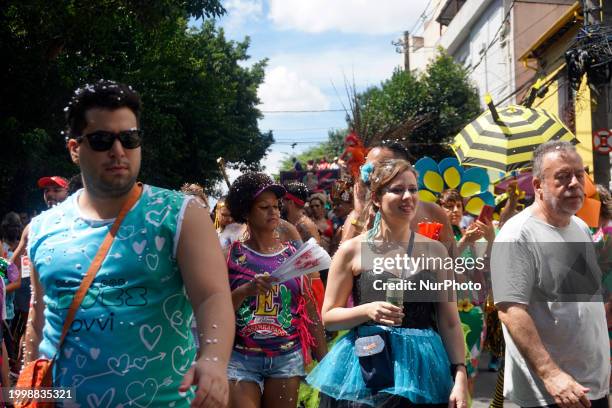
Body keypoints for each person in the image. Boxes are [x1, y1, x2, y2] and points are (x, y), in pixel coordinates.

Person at [24, 80, 234, 407]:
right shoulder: (41, 228)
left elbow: (212, 295)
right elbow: (38, 318)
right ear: (74, 149)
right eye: (102, 140)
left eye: (129, 138)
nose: (118, 151)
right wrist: (28, 389)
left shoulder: (179, 215)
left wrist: (214, 360)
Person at [307, 159, 468, 408]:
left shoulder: (435, 252)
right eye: (397, 190)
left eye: (413, 189)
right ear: (376, 198)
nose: (408, 196)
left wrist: (459, 374)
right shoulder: (352, 251)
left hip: (423, 370)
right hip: (368, 366)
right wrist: (366, 311)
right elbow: (328, 316)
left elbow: (449, 321)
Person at [492, 141, 610, 408]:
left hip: (591, 386)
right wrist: (551, 374)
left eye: (580, 175)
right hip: (551, 394)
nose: (574, 183)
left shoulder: (579, 226)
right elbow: (510, 310)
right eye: (562, 176)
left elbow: (581, 303)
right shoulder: (517, 234)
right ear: (537, 186)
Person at [225, 172, 327, 408]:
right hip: (241, 358)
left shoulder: (293, 255)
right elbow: (216, 310)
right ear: (246, 212)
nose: (273, 211)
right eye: (264, 207)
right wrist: (245, 291)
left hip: (286, 358)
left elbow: (309, 310)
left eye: (276, 206)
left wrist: (325, 362)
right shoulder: (231, 256)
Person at [341, 142, 457, 257]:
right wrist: (359, 218)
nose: (371, 175)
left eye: (379, 168)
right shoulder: (356, 217)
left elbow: (454, 263)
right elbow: (341, 264)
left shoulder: (432, 211)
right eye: (368, 169)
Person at [438, 189, 493, 396]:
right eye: (449, 206)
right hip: (449, 316)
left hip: (474, 313)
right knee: (450, 373)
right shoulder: (433, 235)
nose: (455, 210)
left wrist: (489, 238)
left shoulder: (467, 232)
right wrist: (464, 242)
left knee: (471, 374)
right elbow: (441, 265)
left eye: (458, 205)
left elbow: (486, 265)